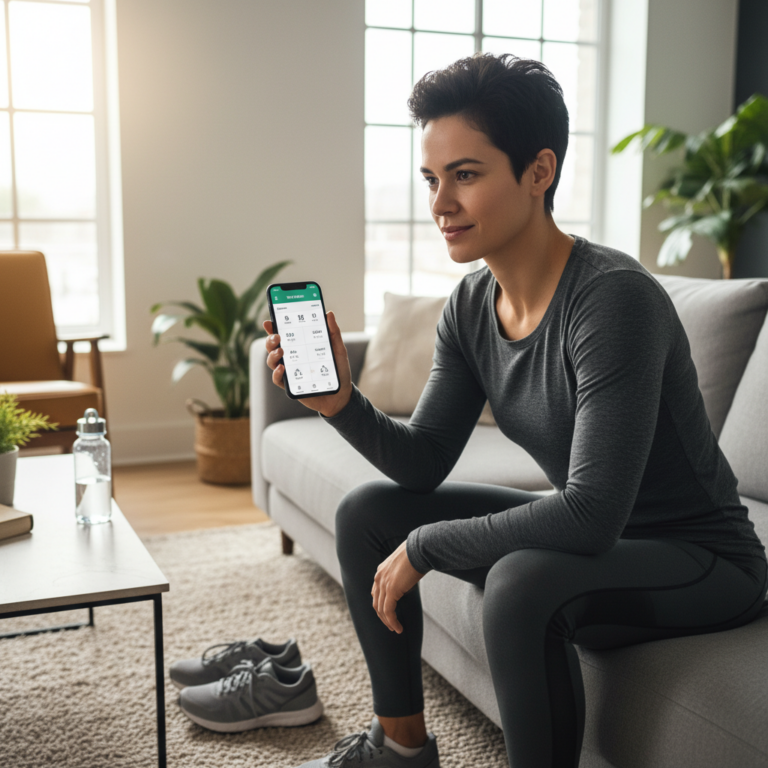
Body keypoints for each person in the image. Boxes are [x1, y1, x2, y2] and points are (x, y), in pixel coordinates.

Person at [264, 54, 768, 768]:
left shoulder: (613, 300)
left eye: (465, 176)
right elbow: (423, 461)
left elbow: (591, 514)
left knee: (521, 580)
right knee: (369, 512)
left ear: (539, 172)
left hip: (703, 558)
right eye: (432, 179)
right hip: (605, 536)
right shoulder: (471, 305)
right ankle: (399, 749)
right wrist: (341, 403)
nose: (440, 204)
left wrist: (427, 547)